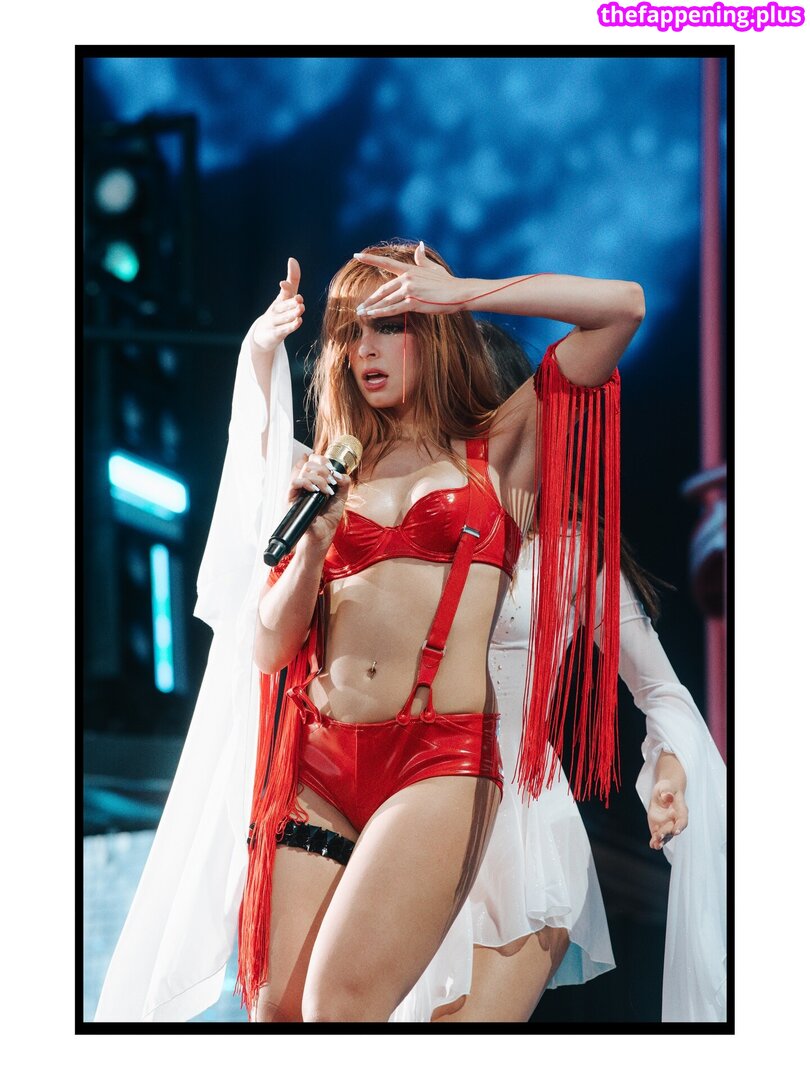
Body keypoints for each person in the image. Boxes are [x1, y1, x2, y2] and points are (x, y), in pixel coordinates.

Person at [235, 240, 644, 1024]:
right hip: (318, 762)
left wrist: (464, 292)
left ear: (435, 330)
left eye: (388, 325)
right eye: (350, 331)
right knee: (276, 1016)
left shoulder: (502, 452)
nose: (365, 349)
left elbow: (622, 307)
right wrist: (315, 544)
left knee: (337, 1009)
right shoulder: (330, 472)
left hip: (436, 762)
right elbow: (268, 648)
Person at [392, 324, 726, 1023]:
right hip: (401, 821)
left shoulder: (566, 551)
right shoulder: (397, 531)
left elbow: (660, 689)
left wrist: (669, 770)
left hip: (519, 832)